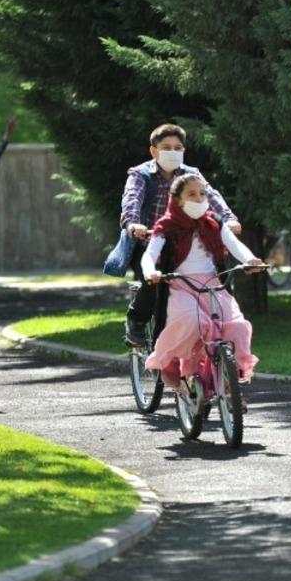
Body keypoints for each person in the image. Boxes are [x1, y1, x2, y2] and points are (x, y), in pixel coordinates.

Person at [106, 123, 241, 347]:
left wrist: (229, 218)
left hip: (185, 242)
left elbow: (211, 196)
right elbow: (131, 200)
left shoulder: (191, 174)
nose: (172, 152)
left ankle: (216, 332)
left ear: (184, 151)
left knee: (215, 278)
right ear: (154, 151)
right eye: (166, 147)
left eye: (178, 148)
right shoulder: (140, 175)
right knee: (155, 282)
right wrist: (133, 224)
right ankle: (137, 321)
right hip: (149, 240)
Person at [141, 174, 264, 390]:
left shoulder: (214, 221)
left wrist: (250, 260)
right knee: (193, 322)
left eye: (202, 194)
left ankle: (228, 379)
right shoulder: (167, 225)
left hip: (212, 285)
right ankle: (184, 369)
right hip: (180, 285)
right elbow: (149, 254)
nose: (199, 199)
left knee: (236, 326)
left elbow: (235, 245)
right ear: (178, 200)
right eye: (192, 194)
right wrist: (150, 271)